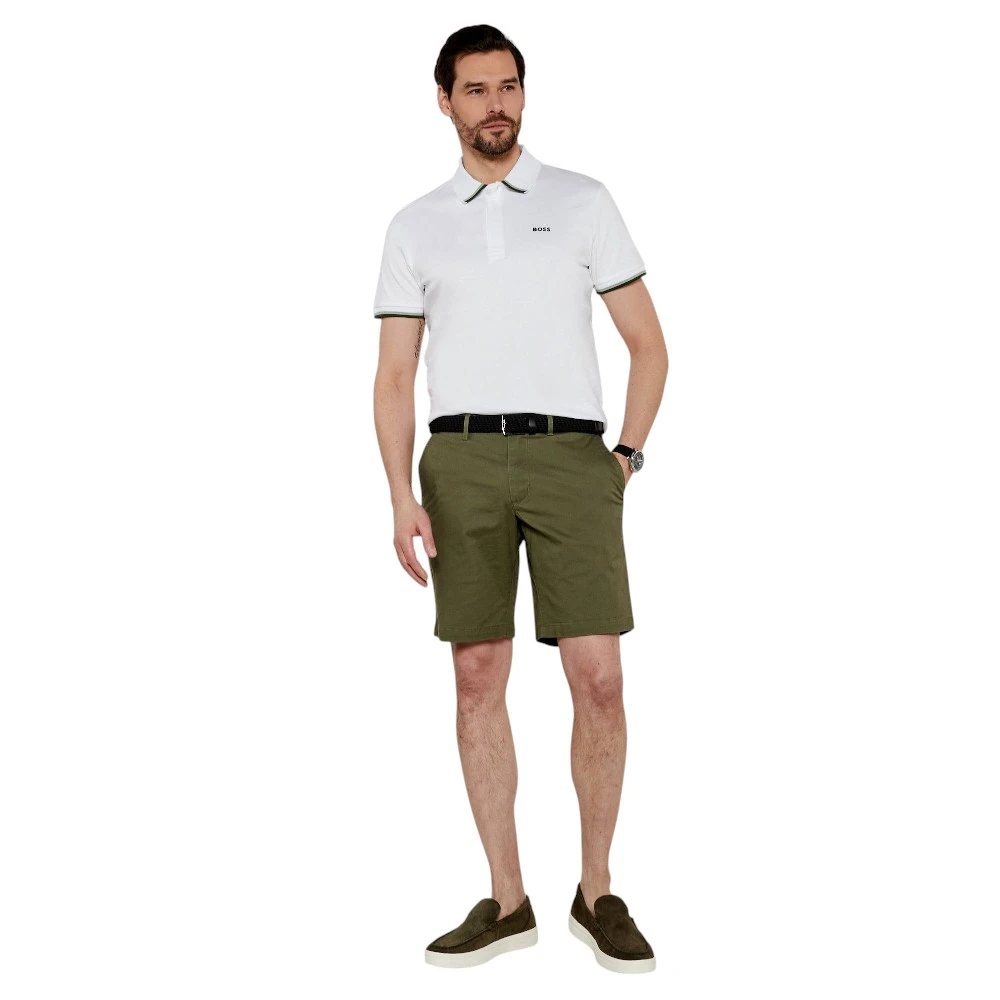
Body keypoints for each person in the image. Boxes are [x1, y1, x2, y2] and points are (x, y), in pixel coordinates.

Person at [372, 24, 668, 973]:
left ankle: (597, 890)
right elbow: (394, 375)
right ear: (445, 102)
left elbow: (649, 344)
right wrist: (399, 493)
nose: (495, 104)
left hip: (574, 458)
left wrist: (624, 458)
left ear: (524, 94)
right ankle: (507, 900)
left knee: (600, 678)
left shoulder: (584, 201)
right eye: (475, 90)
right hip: (459, 460)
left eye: (507, 86)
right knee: (476, 675)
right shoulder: (416, 225)